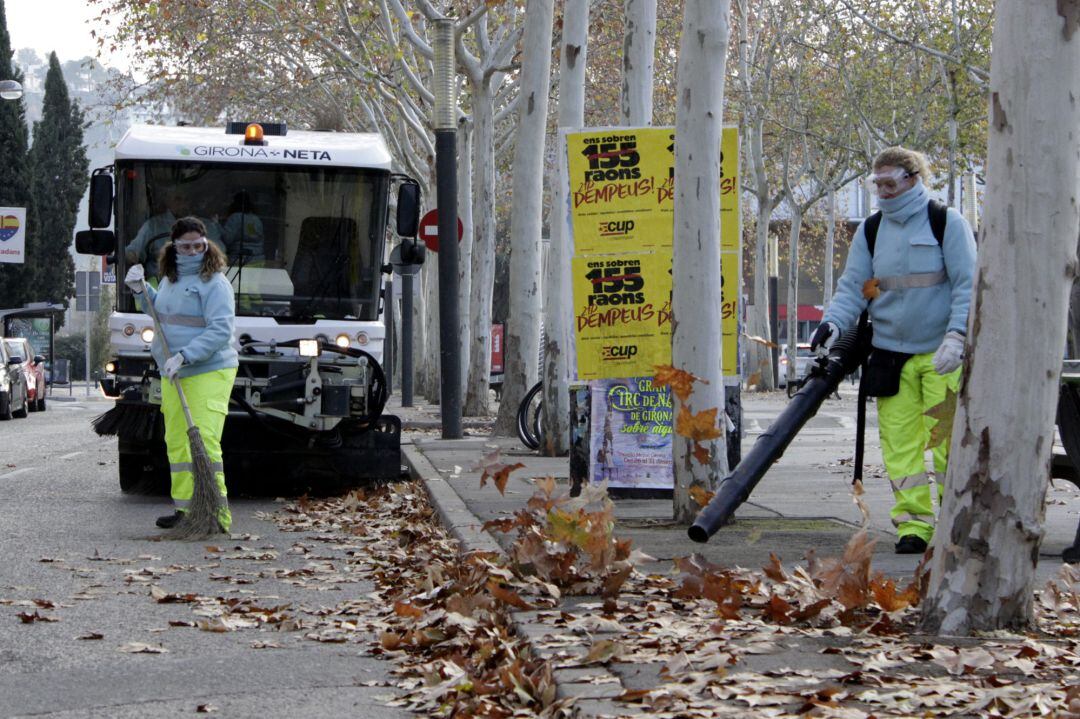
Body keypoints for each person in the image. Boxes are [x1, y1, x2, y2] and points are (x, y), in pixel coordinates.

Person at [810, 146, 977, 555]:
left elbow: (967, 286)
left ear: (913, 179)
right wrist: (833, 323)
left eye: (889, 183)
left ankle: (956, 523)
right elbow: (858, 287)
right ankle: (914, 526)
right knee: (900, 446)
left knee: (946, 442)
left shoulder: (946, 223)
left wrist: (958, 336)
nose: (882, 191)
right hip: (889, 354)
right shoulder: (871, 231)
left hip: (941, 354)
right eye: (877, 184)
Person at [124, 217, 238, 532]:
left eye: (198, 246)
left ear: (207, 245)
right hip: (174, 372)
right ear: (174, 248)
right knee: (177, 441)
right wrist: (141, 290)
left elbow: (220, 331)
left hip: (208, 370)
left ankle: (217, 515)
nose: (193, 252)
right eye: (186, 246)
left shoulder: (215, 283)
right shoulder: (171, 280)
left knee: (204, 441)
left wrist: (186, 355)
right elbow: (160, 314)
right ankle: (188, 511)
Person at [222, 191, 265, 262]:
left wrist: (217, 228)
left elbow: (227, 239)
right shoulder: (256, 219)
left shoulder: (235, 218)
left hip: (239, 261)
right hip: (258, 260)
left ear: (235, 204)